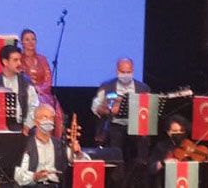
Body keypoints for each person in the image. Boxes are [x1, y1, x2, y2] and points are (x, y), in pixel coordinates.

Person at [91, 57, 150, 185]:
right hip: (114, 125)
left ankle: (136, 180)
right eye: (123, 72)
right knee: (116, 150)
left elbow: (148, 108)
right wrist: (109, 110)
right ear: (117, 71)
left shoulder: (143, 88)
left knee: (141, 149)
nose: (126, 75)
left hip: (135, 126)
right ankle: (117, 180)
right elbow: (95, 108)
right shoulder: (106, 86)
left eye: (128, 72)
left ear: (133, 71)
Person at [14, 103, 87, 186]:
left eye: (51, 117)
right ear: (36, 122)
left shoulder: (59, 145)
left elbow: (84, 164)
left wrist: (78, 153)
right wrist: (35, 176)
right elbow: (18, 175)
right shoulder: (26, 146)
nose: (48, 121)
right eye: (44, 117)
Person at [20, 29, 65, 137]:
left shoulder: (42, 59)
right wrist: (32, 90)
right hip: (27, 94)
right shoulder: (19, 59)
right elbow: (20, 78)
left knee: (55, 110)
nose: (31, 42)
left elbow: (48, 78)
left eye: (33, 39)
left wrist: (40, 89)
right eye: (27, 39)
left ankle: (54, 140)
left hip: (44, 94)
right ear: (22, 42)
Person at [0, 45, 39, 134]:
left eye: (20, 60)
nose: (19, 63)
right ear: (5, 62)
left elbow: (34, 106)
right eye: (15, 60)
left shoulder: (26, 82)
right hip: (1, 131)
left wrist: (27, 126)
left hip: (24, 129)